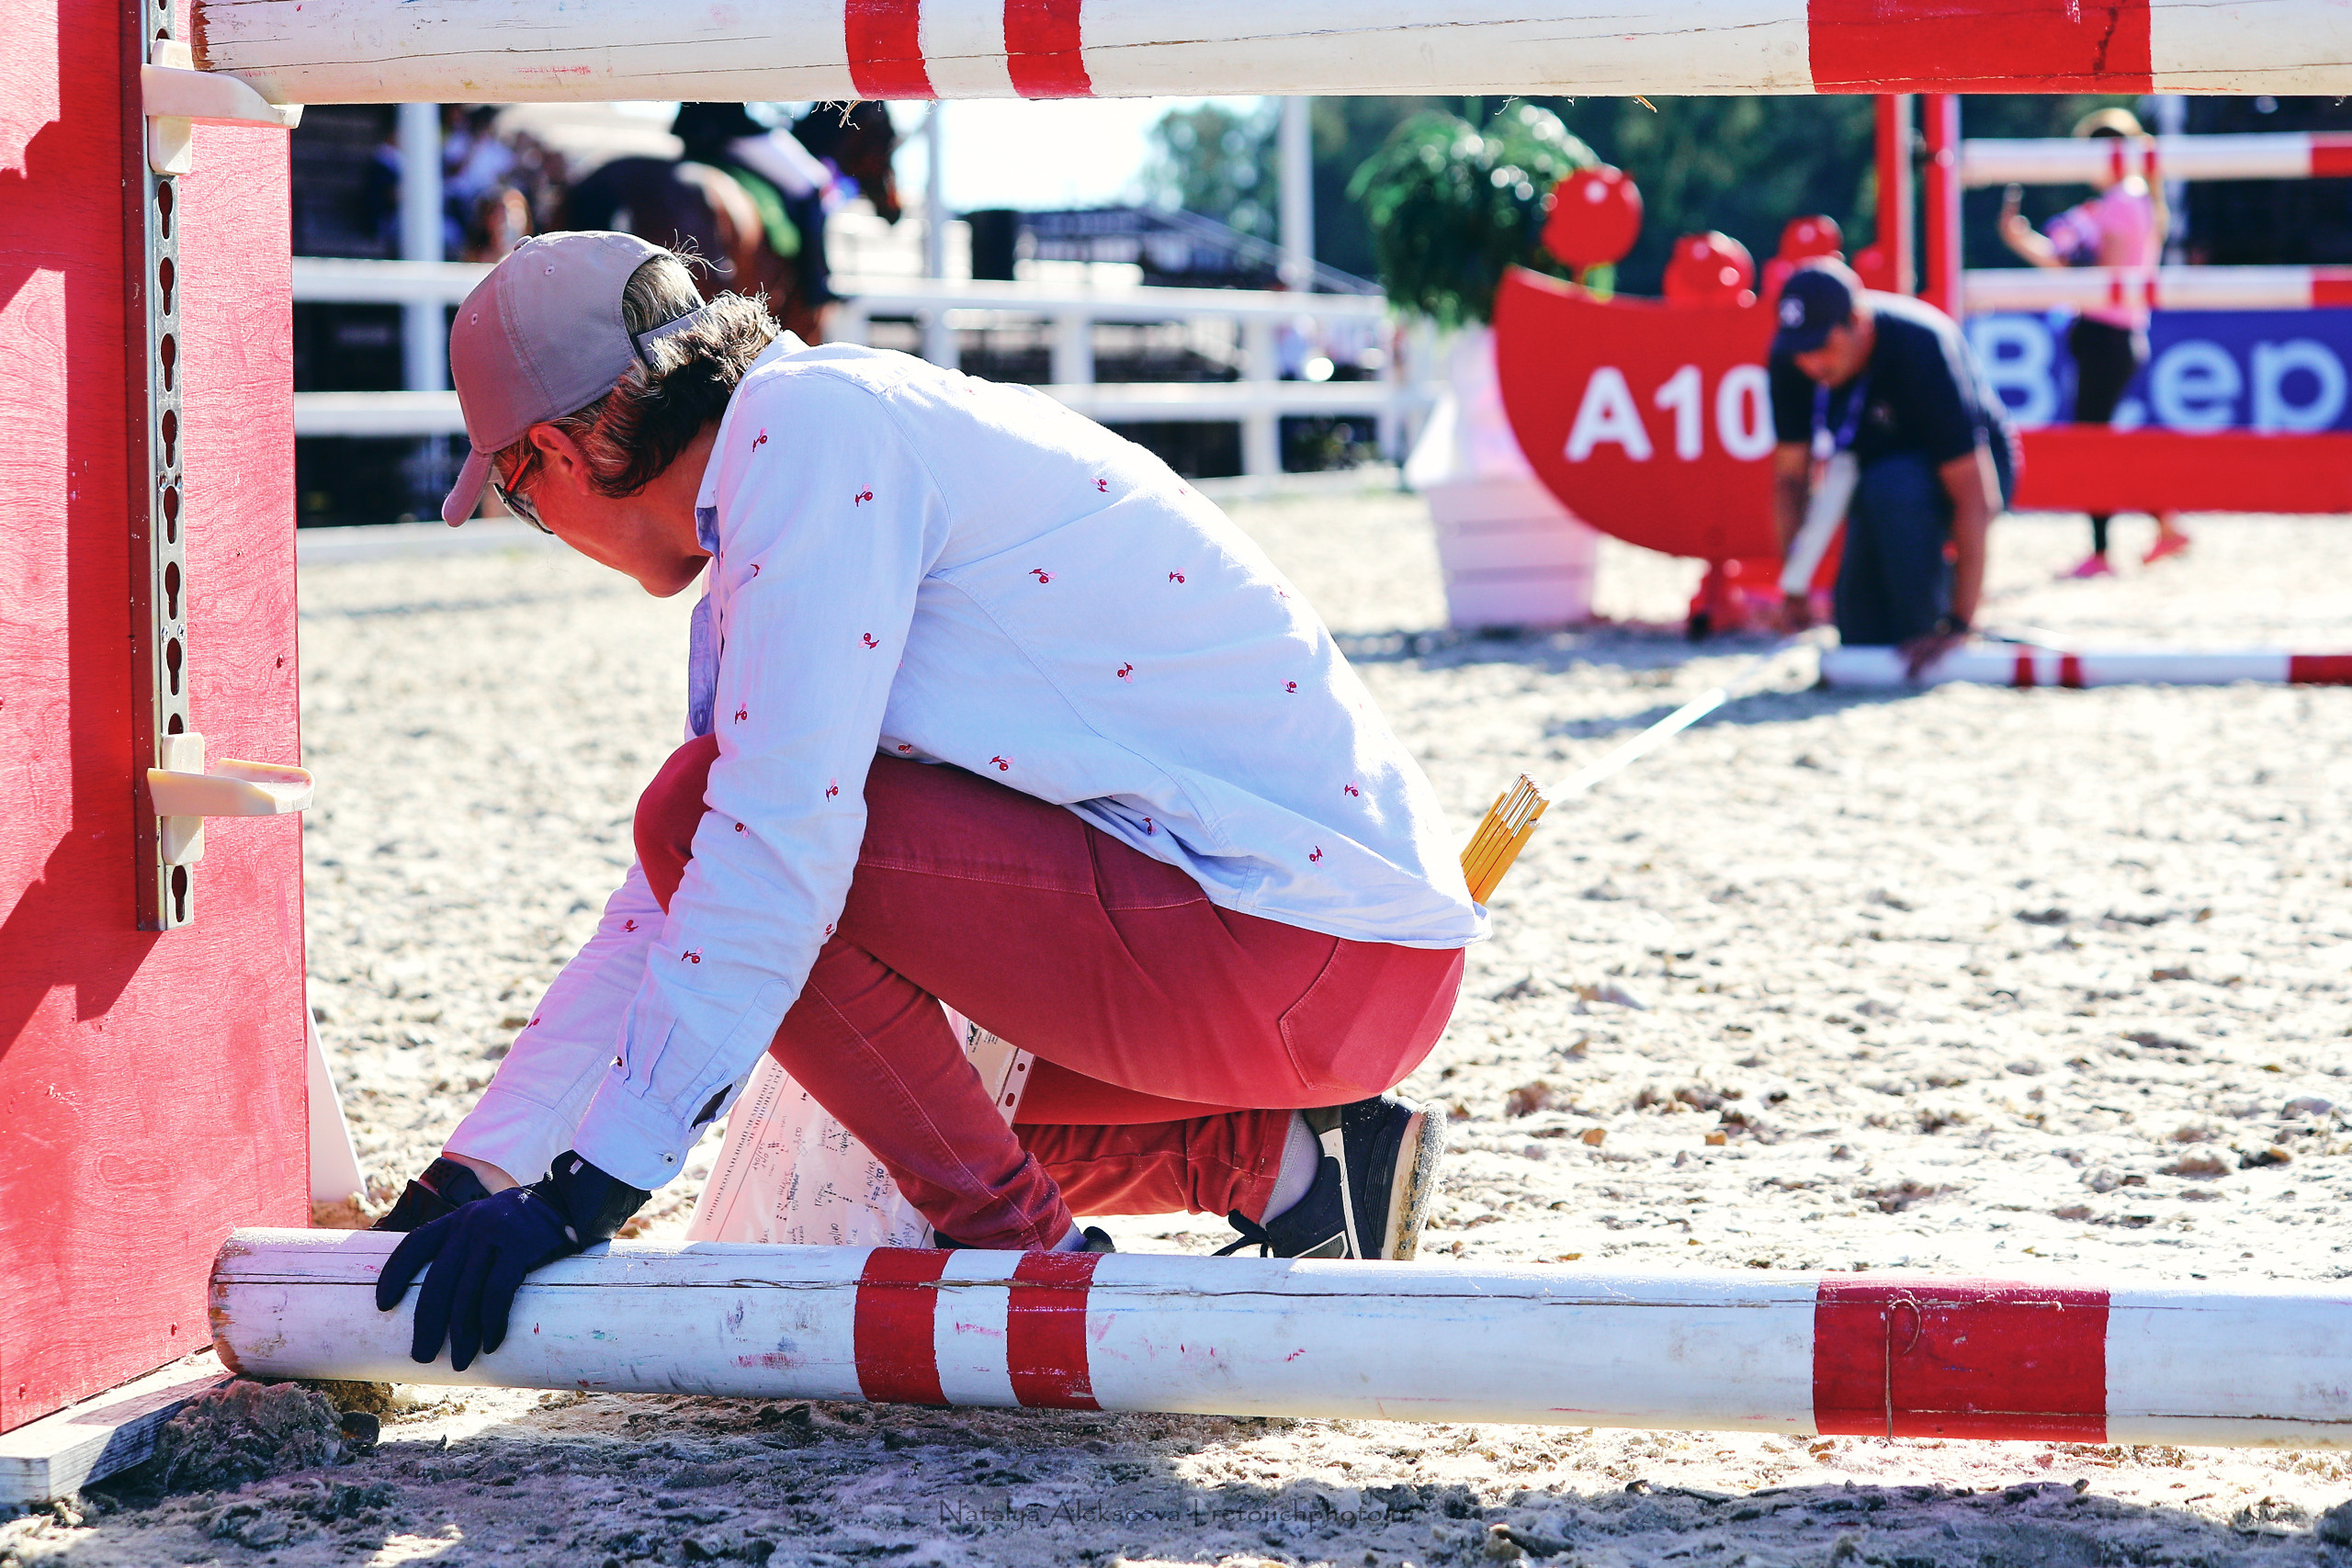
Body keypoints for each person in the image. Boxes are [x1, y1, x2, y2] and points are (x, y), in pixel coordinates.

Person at [368, 231, 1476, 1372]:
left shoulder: (807, 440)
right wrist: (479, 1175)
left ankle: (1034, 1263)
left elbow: (750, 846)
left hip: (1305, 951)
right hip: (1333, 962)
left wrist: (579, 1199)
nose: (542, 528)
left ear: (557, 446)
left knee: (721, 848)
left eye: (519, 496)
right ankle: (1294, 1168)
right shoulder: (807, 439)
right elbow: (678, 905)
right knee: (863, 1105)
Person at [1770, 259, 2018, 677]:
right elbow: (1790, 480)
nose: (1811, 364)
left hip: (1970, 476)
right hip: (1875, 484)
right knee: (1861, 635)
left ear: (1858, 321)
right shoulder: (1792, 357)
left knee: (1895, 486)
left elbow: (1977, 496)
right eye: (1800, 350)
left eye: (1821, 346)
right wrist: (1793, 587)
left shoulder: (1920, 345)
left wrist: (1959, 623)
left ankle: (1934, 616)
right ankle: (1915, 611)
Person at [1998, 106, 2189, 576]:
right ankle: (2162, 523)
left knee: (2093, 448)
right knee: (2101, 442)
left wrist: (2020, 239)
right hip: (2121, 334)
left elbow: (2068, 260)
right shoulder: (2142, 201)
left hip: (2104, 334)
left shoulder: (2115, 205)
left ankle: (2107, 551)